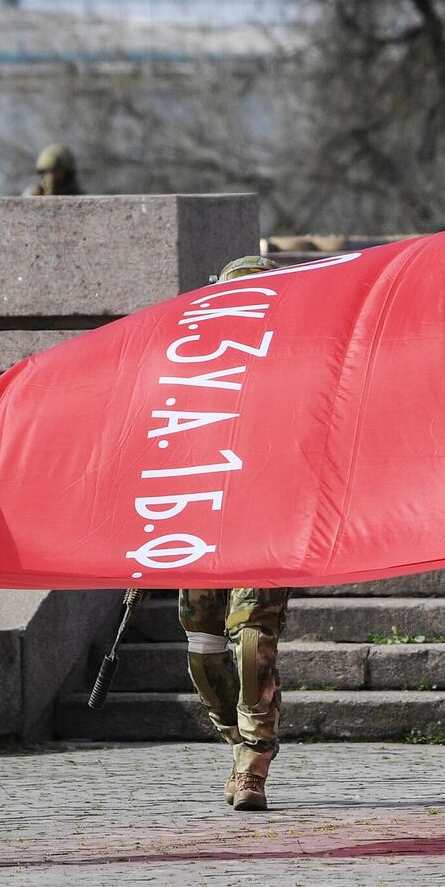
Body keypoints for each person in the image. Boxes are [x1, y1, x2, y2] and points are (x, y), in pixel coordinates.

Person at [179, 254, 291, 810]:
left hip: (262, 522)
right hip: (202, 518)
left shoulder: (295, 365)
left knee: (252, 641)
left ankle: (253, 763)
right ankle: (237, 735)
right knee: (203, 648)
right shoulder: (192, 367)